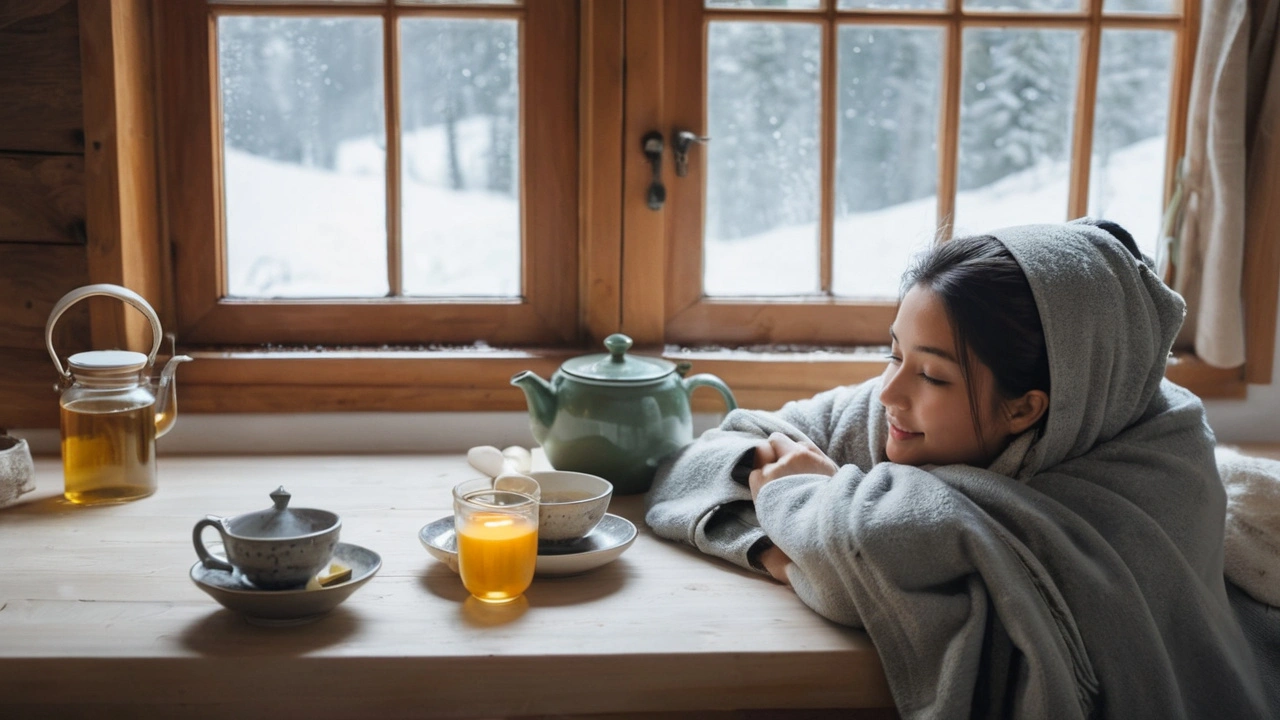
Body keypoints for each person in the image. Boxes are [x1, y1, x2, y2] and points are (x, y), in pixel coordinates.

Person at [645, 219, 1273, 719]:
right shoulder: (893, 411)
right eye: (893, 352)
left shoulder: (1155, 477)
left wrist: (808, 501)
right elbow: (701, 461)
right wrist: (782, 555)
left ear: (1026, 408)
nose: (889, 391)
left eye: (932, 374)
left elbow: (882, 562)